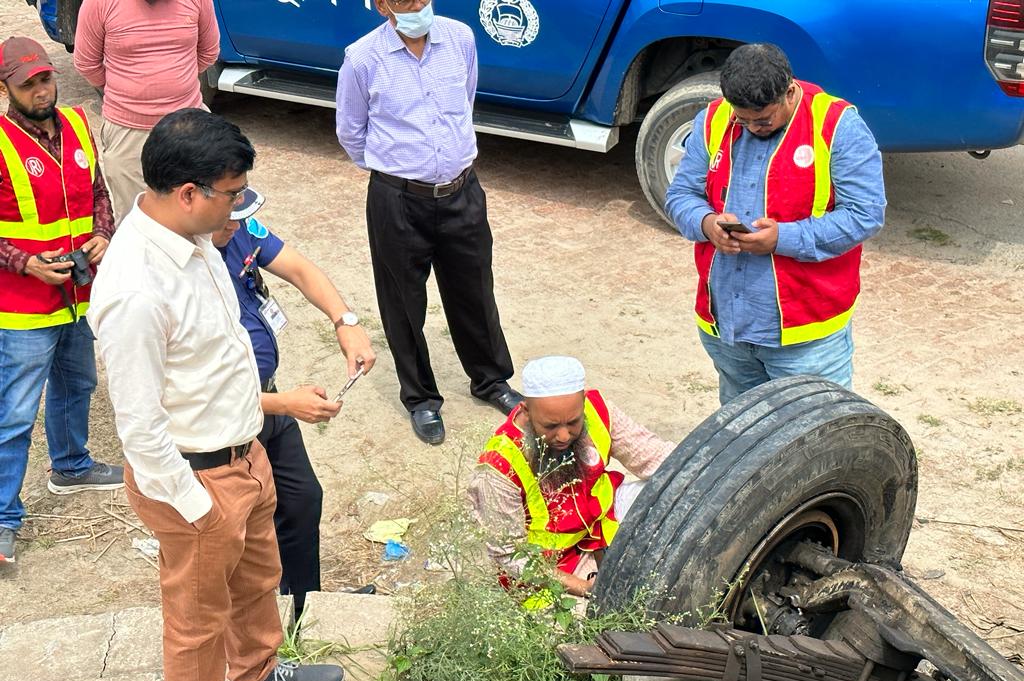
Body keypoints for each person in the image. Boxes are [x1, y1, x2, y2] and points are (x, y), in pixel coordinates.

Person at [88, 109, 344, 681]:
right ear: (188, 193)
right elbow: (140, 428)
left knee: (258, 578)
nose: (240, 208)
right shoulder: (137, 289)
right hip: (193, 476)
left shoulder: (199, 239)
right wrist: (196, 504)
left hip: (240, 453)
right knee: (197, 609)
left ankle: (256, 678)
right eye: (232, 194)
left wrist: (252, 448)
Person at [335, 0, 520, 446]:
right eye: (404, 0)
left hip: (462, 191)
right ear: (382, 6)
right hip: (397, 198)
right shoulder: (361, 58)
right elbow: (351, 131)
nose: (417, 6)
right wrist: (398, 171)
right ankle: (420, 399)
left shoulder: (460, 39)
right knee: (402, 301)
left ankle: (491, 381)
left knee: (474, 288)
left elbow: (466, 102)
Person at [665, 43, 886, 404]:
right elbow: (680, 195)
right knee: (746, 443)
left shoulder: (838, 126)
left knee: (816, 445)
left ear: (790, 91)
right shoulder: (714, 118)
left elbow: (865, 213)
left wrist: (783, 238)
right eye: (743, 119)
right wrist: (707, 224)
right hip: (727, 331)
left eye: (764, 120)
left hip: (808, 340)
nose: (752, 127)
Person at [212, 187, 377, 619]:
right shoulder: (189, 267)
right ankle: (260, 626)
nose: (236, 223)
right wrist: (283, 404)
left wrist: (346, 322)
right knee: (242, 526)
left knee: (302, 498)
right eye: (228, 213)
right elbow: (201, 390)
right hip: (229, 416)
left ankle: (305, 608)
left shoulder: (238, 228)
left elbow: (299, 268)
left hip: (265, 396)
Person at [0, 37, 123, 566]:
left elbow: (98, 190)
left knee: (78, 382)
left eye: (46, 78)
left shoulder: (75, 123)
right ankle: (3, 517)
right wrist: (25, 263)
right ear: (6, 88)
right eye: (28, 84)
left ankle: (71, 466)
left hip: (79, 290)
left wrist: (103, 233)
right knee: (15, 412)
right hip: (23, 303)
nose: (42, 90)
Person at [469, 356, 674, 597]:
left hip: (603, 522)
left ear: (583, 403)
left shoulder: (597, 410)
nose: (564, 436)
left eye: (573, 422)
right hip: (552, 566)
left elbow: (661, 459)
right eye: (550, 426)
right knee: (593, 626)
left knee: (677, 490)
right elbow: (508, 554)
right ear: (526, 411)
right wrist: (583, 588)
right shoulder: (498, 467)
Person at [73, 0, 220, 222]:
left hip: (189, 126)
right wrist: (127, 96)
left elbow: (208, 51)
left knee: (197, 218)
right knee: (135, 222)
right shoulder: (98, 3)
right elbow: (86, 63)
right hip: (127, 132)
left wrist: (176, 85)